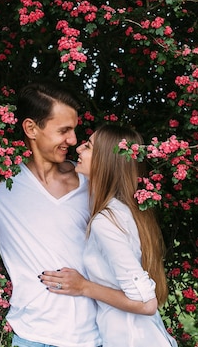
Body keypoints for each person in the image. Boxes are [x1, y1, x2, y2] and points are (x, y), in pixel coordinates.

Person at [0, 82, 103, 347]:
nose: (73, 140)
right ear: (31, 129)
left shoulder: (90, 181)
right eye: (64, 130)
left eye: (74, 130)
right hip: (32, 339)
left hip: (96, 338)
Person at [39, 124, 178, 347]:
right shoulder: (125, 211)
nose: (79, 149)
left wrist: (84, 287)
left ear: (106, 160)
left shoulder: (106, 221)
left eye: (89, 146)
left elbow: (146, 303)